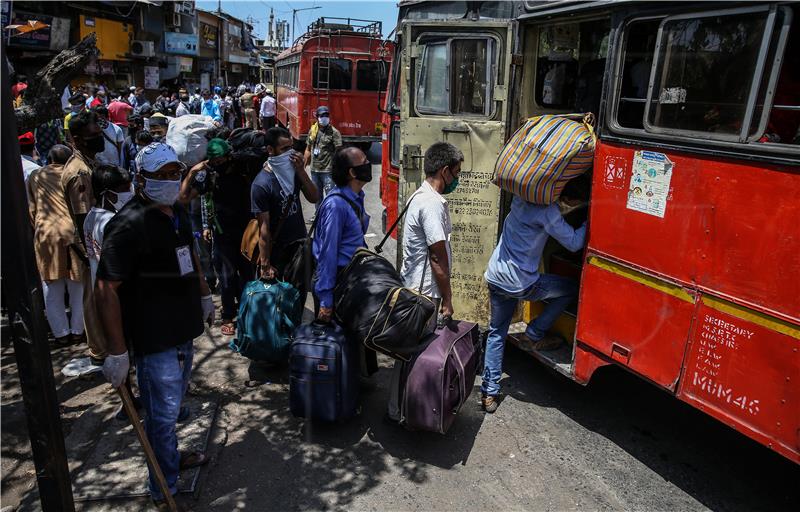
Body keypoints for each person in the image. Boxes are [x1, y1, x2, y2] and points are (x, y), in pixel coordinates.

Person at [96, 142, 212, 510]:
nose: (168, 181)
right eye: (159, 176)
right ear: (140, 180)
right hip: (154, 338)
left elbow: (189, 253)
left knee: (173, 408)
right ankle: (163, 486)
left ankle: (171, 459)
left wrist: (204, 291)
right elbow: (106, 289)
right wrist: (116, 352)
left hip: (182, 329)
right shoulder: (127, 225)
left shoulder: (175, 212)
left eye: (173, 173)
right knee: (160, 416)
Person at [479, 187, 588, 414]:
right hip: (522, 285)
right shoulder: (548, 213)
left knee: (496, 332)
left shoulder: (519, 200)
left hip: (495, 277)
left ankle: (489, 392)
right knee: (570, 289)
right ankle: (534, 334)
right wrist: (588, 219)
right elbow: (576, 243)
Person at [386, 142, 463, 422]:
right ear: (444, 171)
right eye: (456, 172)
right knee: (413, 355)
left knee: (406, 354)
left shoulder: (419, 195)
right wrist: (448, 302)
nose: (458, 178)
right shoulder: (431, 204)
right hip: (424, 295)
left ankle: (400, 410)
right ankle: (403, 412)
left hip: (414, 288)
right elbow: (437, 260)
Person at [312, 147, 377, 375]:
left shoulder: (356, 197)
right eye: (365, 162)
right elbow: (327, 254)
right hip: (337, 281)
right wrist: (326, 300)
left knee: (353, 342)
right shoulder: (336, 205)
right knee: (340, 346)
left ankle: (350, 389)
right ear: (352, 172)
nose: (369, 164)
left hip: (352, 279)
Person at [61, 110, 108, 365]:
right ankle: (100, 350)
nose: (99, 138)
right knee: (93, 297)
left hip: (94, 241)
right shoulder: (80, 171)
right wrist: (92, 252)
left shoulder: (89, 163)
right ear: (77, 139)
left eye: (100, 134)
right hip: (90, 245)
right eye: (93, 136)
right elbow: (83, 217)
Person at [26, 145, 85, 346]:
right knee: (77, 286)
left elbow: (31, 210)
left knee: (52, 288)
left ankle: (61, 334)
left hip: (46, 235)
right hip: (73, 233)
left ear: (49, 159)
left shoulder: (35, 176)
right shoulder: (73, 174)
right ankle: (78, 331)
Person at [251, 126, 319, 284]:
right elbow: (264, 229)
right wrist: (265, 264)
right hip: (277, 251)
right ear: (270, 150)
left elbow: (314, 197)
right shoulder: (262, 184)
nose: (291, 152)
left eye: (292, 147)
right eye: (285, 148)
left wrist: (302, 172)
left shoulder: (294, 171)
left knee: (298, 293)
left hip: (298, 247)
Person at [84, 164, 133, 285]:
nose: (130, 194)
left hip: (101, 289)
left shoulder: (90, 217)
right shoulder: (112, 223)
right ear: (108, 194)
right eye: (125, 190)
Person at [304, 106, 342, 214]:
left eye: (326, 115)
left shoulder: (334, 132)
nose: (324, 118)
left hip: (328, 170)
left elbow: (339, 152)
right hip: (315, 170)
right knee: (317, 196)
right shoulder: (313, 130)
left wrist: (337, 168)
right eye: (321, 115)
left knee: (330, 195)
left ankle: (331, 216)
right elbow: (308, 148)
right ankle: (318, 215)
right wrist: (302, 166)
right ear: (317, 117)